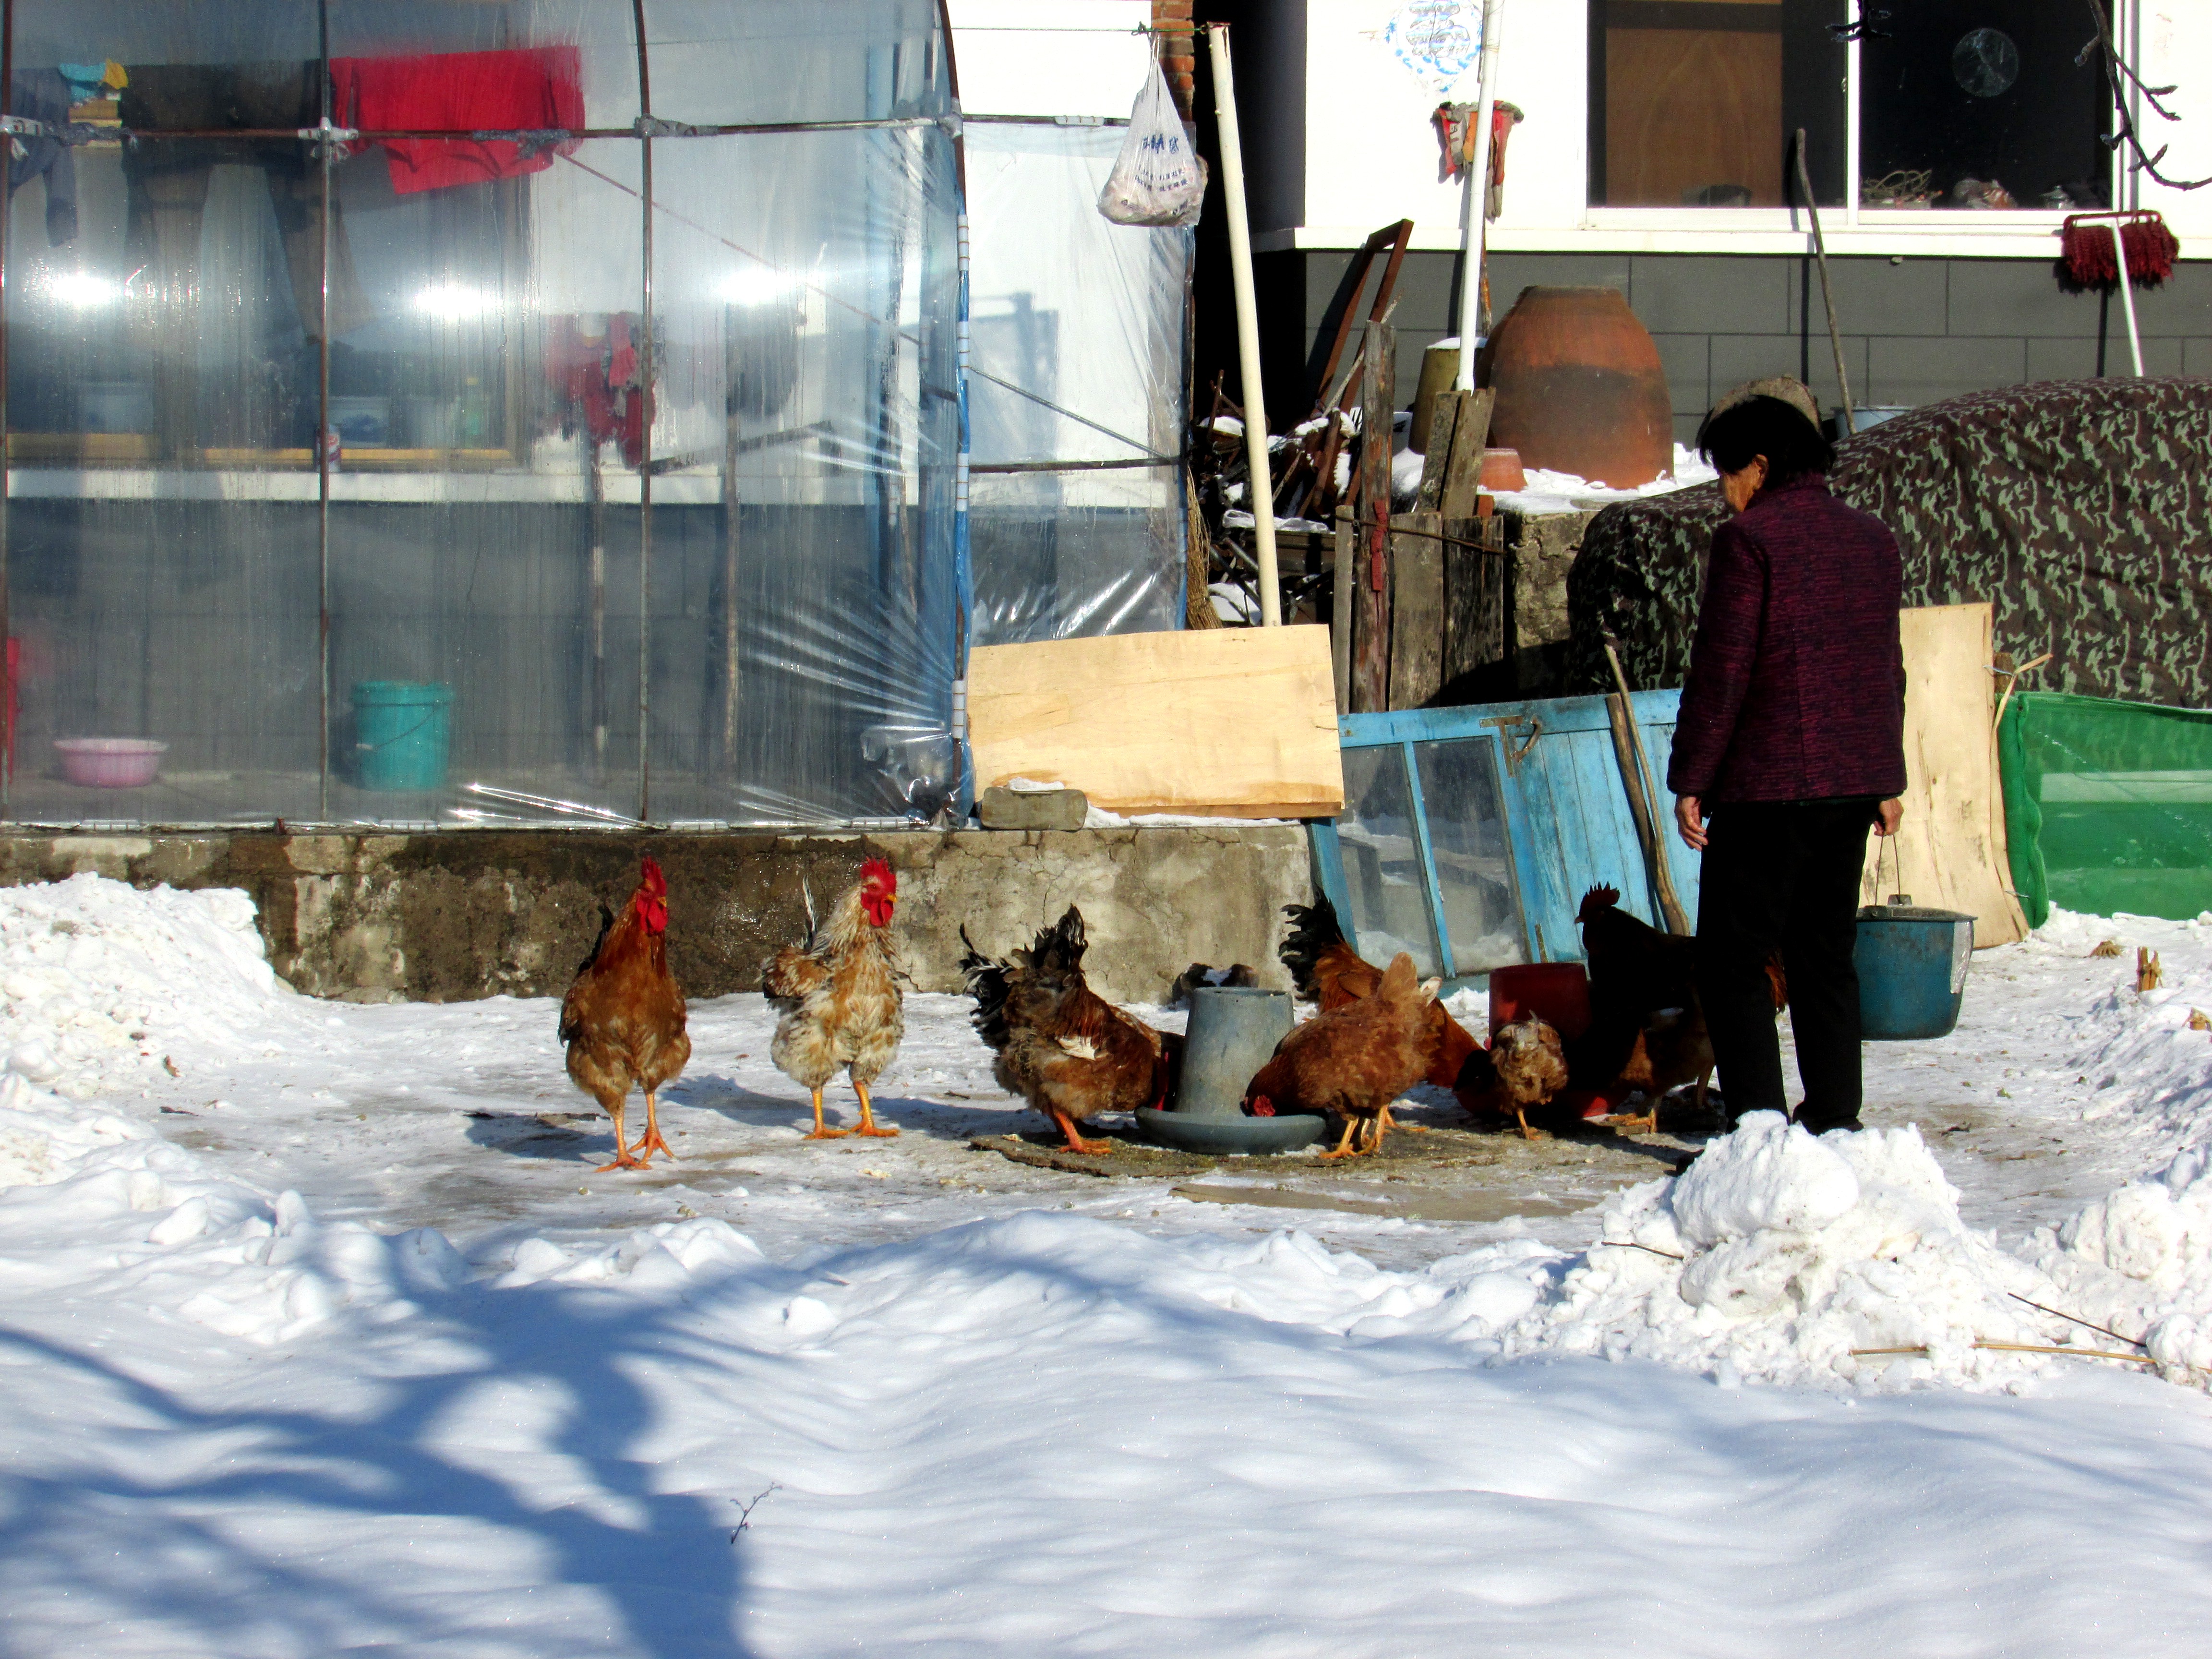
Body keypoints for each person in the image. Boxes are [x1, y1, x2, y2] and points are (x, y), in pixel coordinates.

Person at [1668, 389, 1906, 1135]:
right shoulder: (1873, 539)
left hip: (1768, 790)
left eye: (1728, 476)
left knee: (1733, 964)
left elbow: (1723, 671)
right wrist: (1887, 779)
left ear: (1762, 468)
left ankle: (1761, 1134)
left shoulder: (1750, 543)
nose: (1725, 494)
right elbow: (1884, 667)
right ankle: (1835, 1120)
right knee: (1823, 956)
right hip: (1850, 787)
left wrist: (1692, 778)